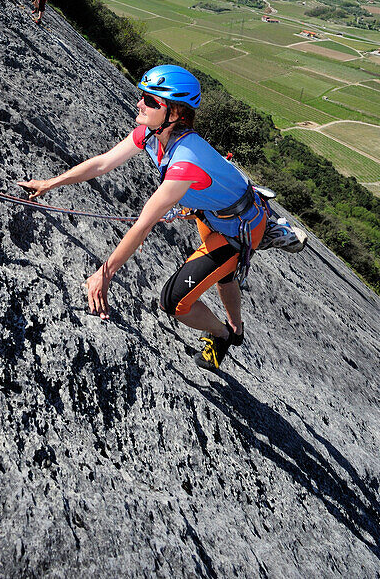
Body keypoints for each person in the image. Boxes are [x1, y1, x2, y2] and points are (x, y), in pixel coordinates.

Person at [19, 64, 272, 371]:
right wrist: (49, 183)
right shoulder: (151, 135)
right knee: (224, 275)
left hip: (239, 230)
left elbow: (144, 224)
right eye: (142, 95)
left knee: (173, 303)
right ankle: (236, 328)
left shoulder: (185, 162)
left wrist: (105, 273)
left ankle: (222, 335)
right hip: (216, 214)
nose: (140, 103)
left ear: (176, 114)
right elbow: (102, 164)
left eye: (151, 101)